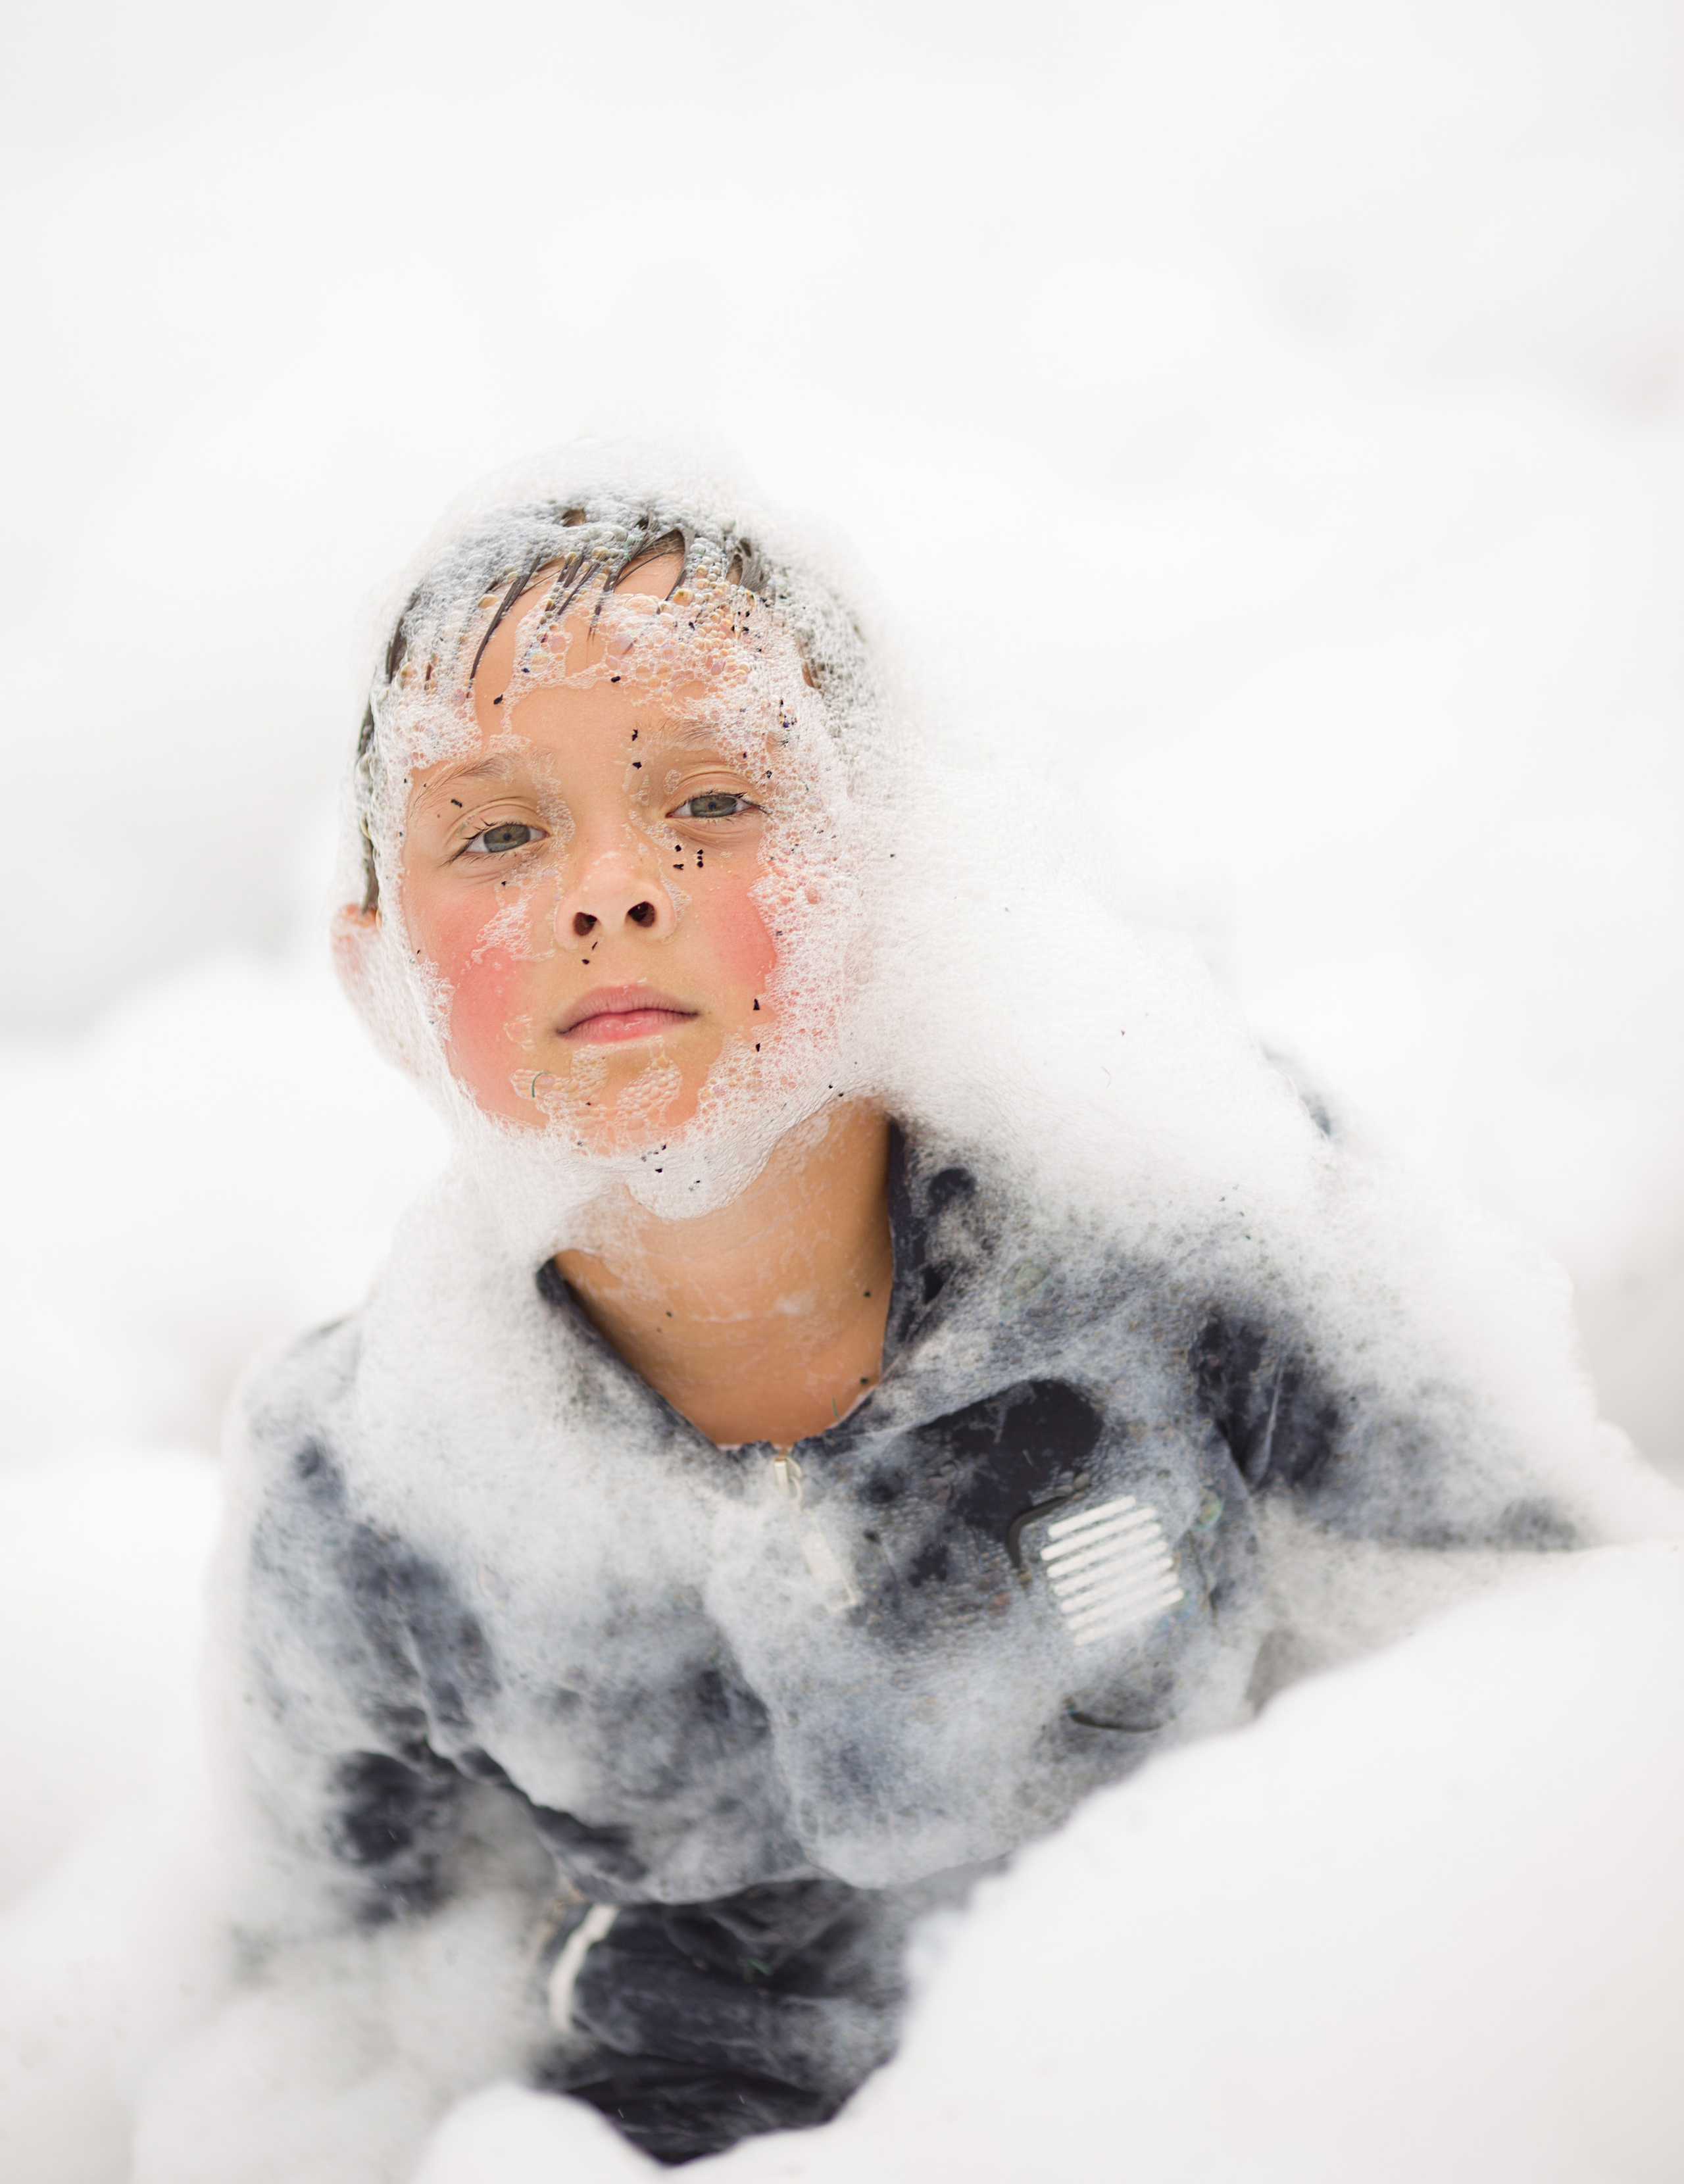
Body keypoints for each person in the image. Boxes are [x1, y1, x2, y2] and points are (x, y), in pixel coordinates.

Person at [216, 437, 1637, 2168]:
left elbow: (1558, 1673)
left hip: (1221, 2071)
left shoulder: (1185, 1224)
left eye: (718, 802)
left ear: (891, 866)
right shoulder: (368, 1503)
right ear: (379, 976)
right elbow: (319, 1990)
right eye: (501, 832)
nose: (610, 886)